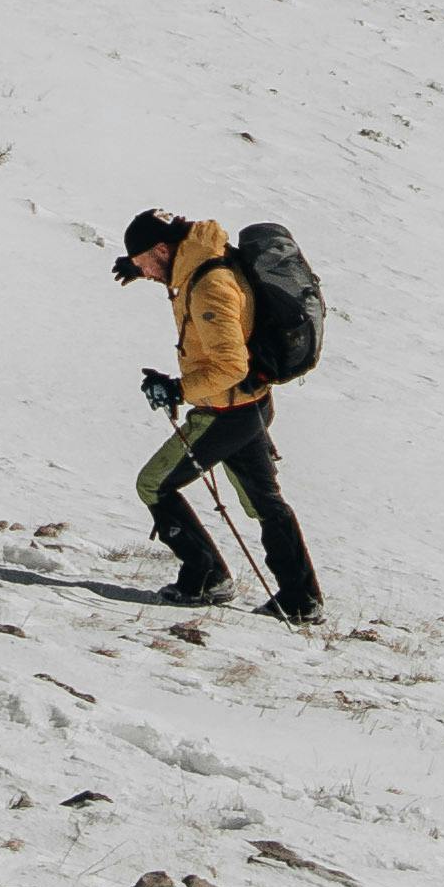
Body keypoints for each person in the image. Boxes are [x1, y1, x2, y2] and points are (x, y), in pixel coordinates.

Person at [113, 211, 322, 622]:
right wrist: (140, 268)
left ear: (162, 249)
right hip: (251, 404)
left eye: (145, 263)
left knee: (153, 484)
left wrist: (177, 389)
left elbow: (230, 367)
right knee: (264, 503)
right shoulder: (205, 255)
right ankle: (301, 598)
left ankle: (206, 576)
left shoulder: (209, 287)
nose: (149, 274)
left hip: (225, 412)